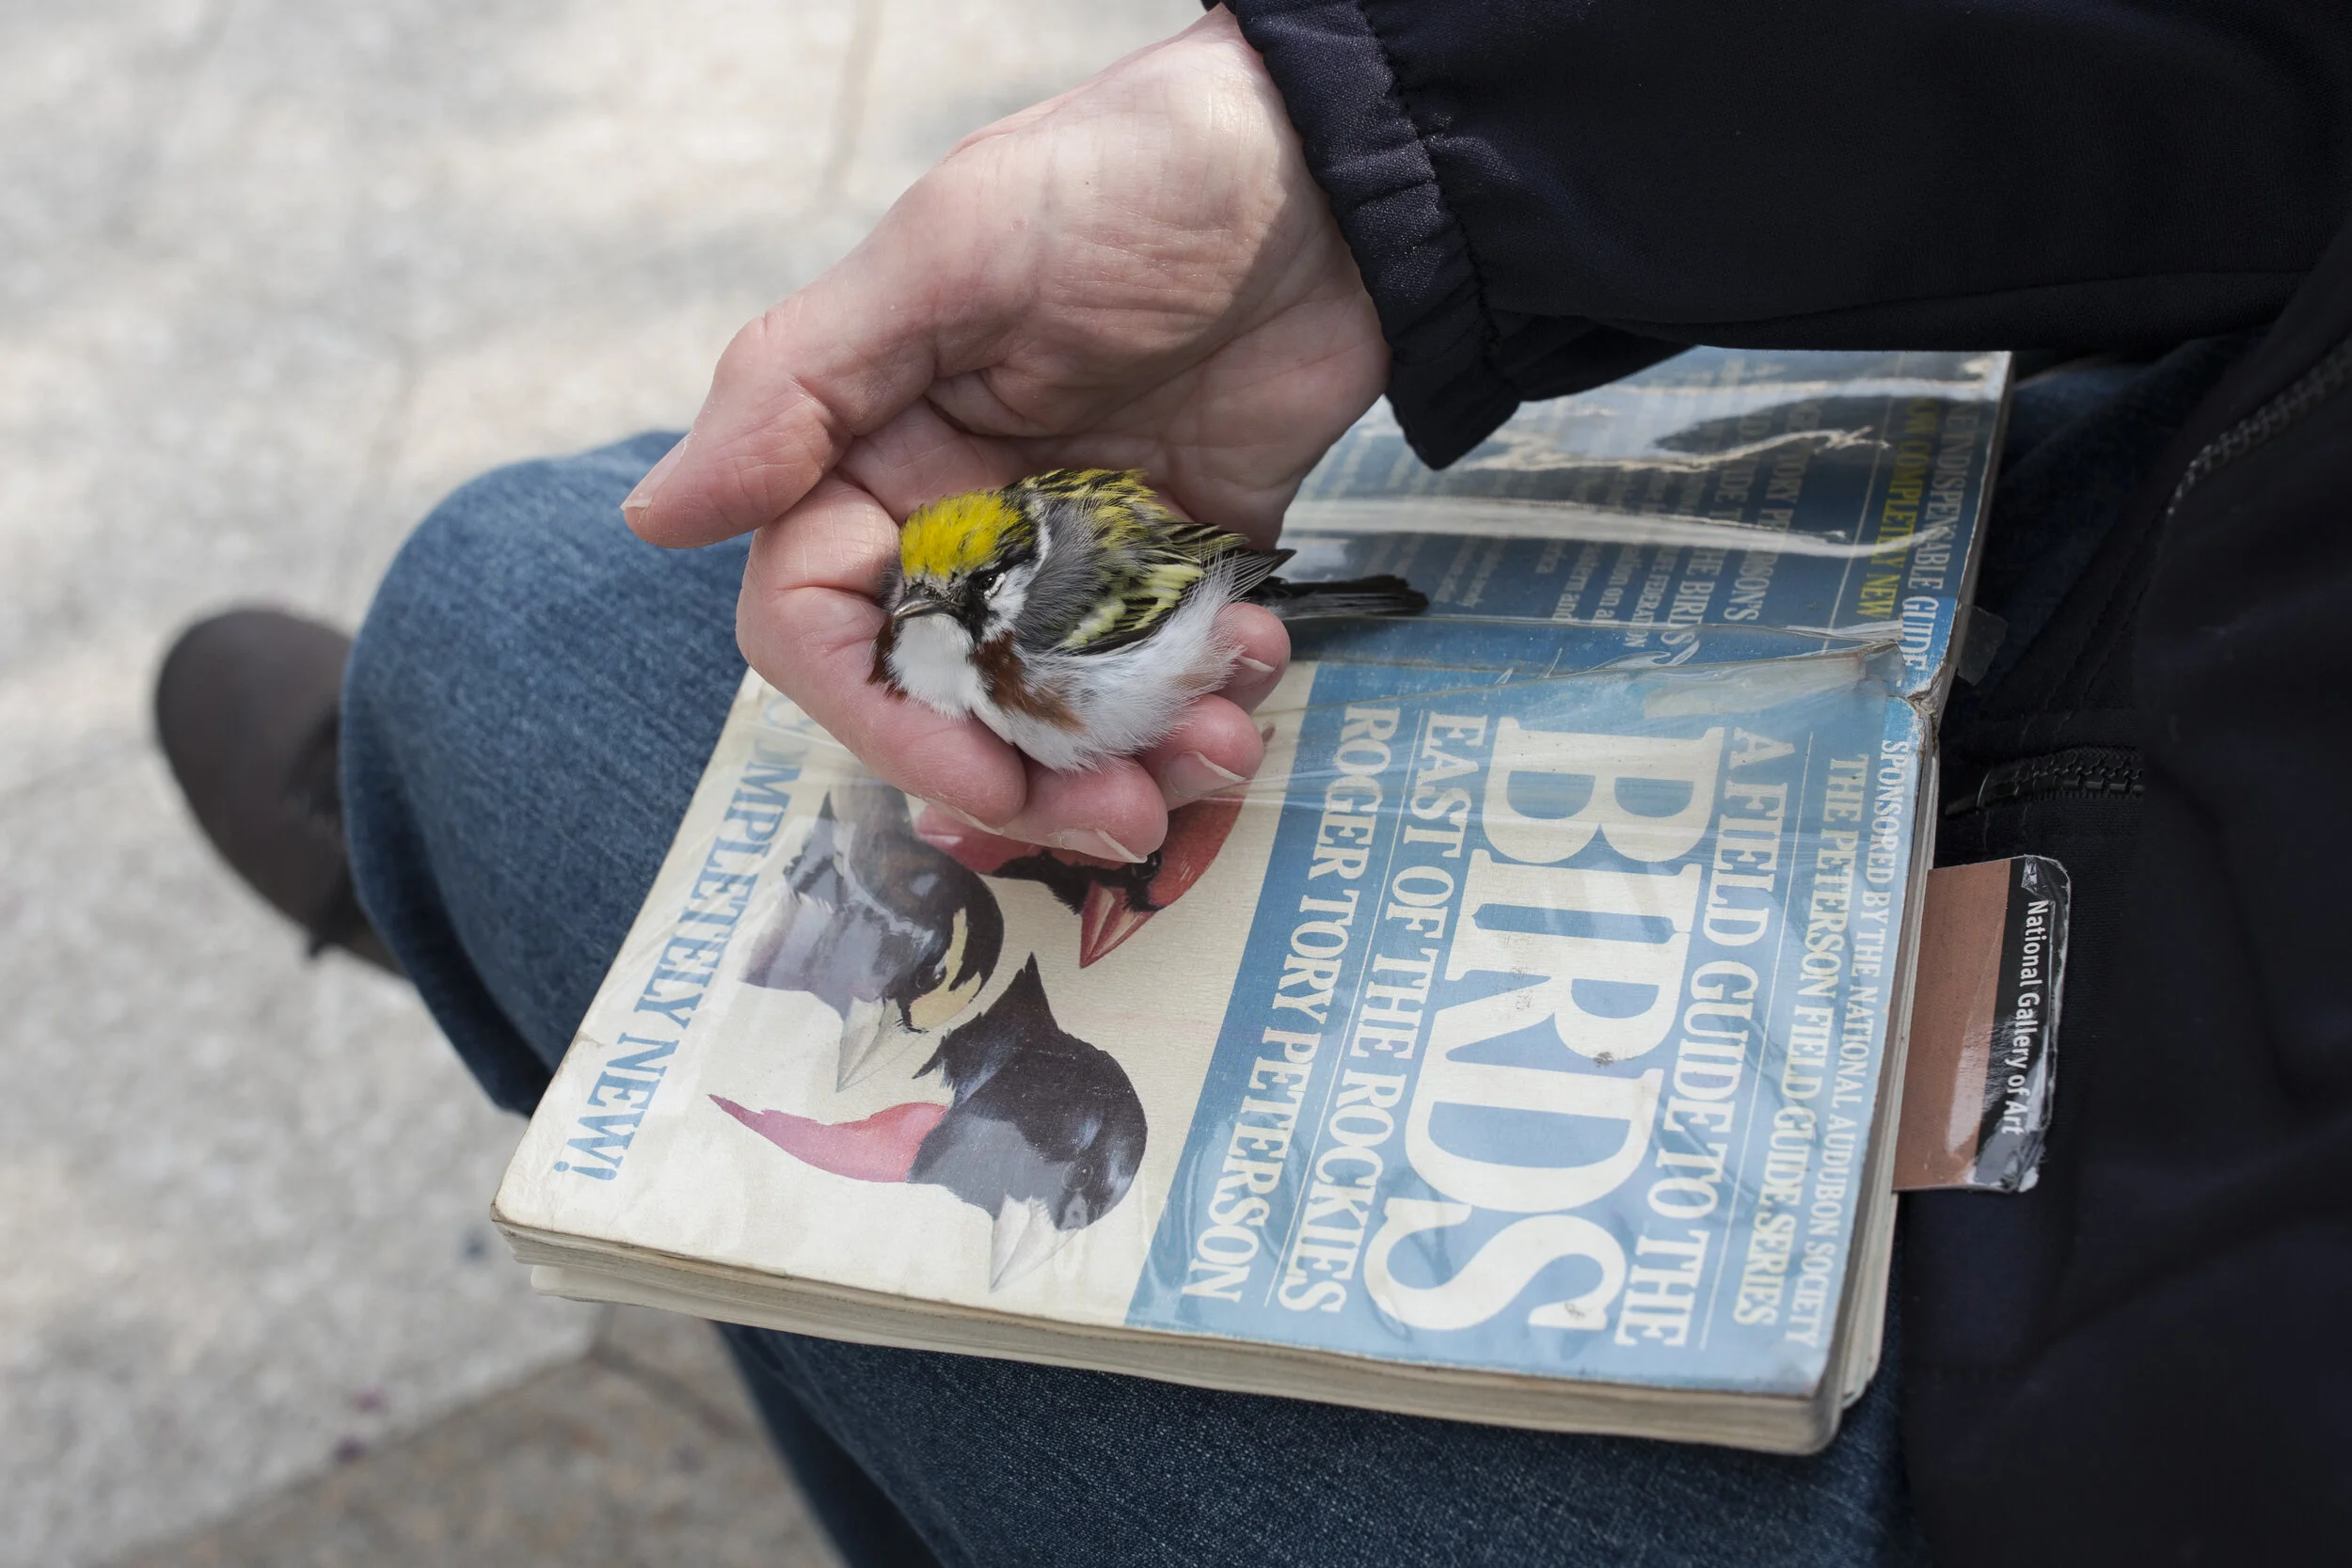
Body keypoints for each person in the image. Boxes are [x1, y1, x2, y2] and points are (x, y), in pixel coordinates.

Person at [157, 6, 2352, 1564]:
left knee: (503, 634)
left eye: (965, 594)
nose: (945, 597)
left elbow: (1194, 598)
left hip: (2092, 1384)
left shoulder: (1068, 601)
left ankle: (477, 892)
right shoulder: (978, 580)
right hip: (2210, 506)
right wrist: (1334, 152)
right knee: (673, 661)